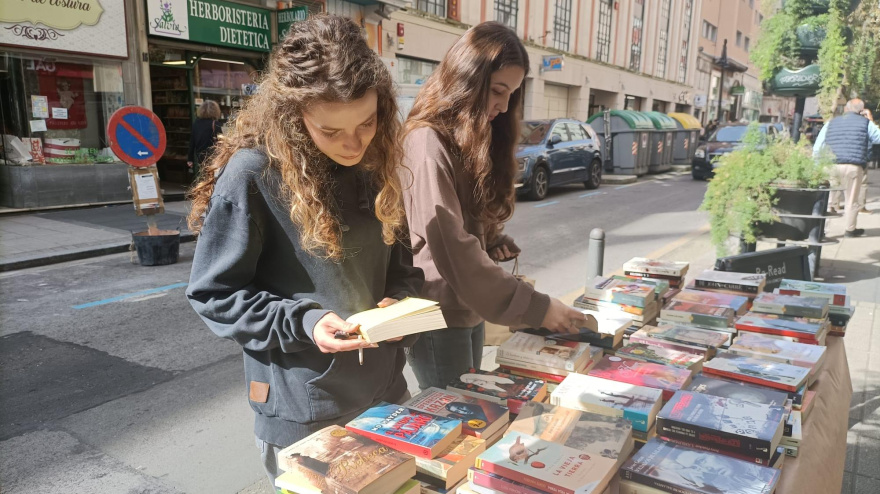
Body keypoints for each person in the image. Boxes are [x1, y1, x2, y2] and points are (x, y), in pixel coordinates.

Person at [184, 14, 423, 487]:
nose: (354, 143)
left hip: (386, 392)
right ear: (294, 117)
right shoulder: (253, 174)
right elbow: (213, 294)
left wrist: (401, 304)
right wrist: (306, 322)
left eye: (368, 122)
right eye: (330, 131)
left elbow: (404, 268)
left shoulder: (375, 162)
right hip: (304, 410)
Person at [401, 22, 588, 392]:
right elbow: (450, 246)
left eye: (511, 95)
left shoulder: (464, 136)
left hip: (470, 306)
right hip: (439, 314)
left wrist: (491, 238)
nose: (503, 107)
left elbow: (462, 223)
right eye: (498, 91)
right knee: (456, 414)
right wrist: (538, 308)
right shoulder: (427, 142)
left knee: (473, 410)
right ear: (466, 79)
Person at [813, 99, 880, 237]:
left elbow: (818, 146)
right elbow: (878, 138)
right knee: (851, 200)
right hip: (853, 166)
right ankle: (850, 230)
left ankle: (822, 231)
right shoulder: (866, 123)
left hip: (830, 164)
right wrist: (870, 119)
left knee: (828, 199)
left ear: (845, 109)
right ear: (861, 111)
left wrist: (816, 165)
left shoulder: (831, 122)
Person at [186, 99, 223, 178]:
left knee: (204, 176)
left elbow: (192, 142)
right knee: (213, 177)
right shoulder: (215, 124)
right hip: (213, 157)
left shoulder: (196, 123)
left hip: (200, 157)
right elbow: (221, 142)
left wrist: (190, 159)